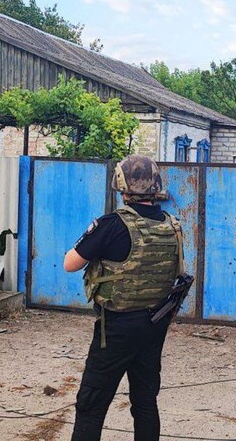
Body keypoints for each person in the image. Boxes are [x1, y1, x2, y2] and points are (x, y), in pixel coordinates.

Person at [63, 154, 184, 441]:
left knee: (91, 404)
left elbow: (70, 263)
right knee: (145, 401)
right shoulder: (171, 225)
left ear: (121, 186)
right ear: (155, 185)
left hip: (116, 328)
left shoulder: (112, 224)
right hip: (155, 324)